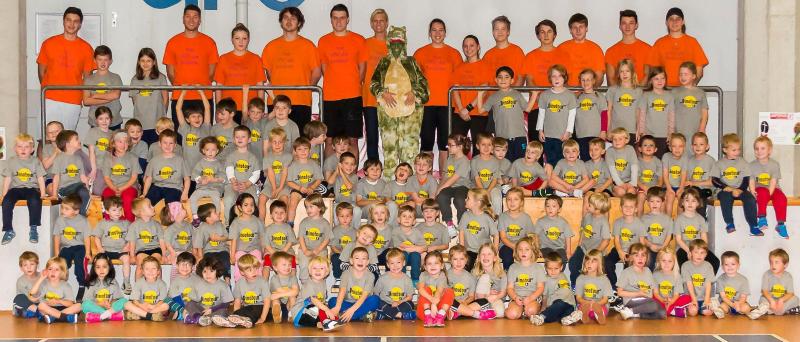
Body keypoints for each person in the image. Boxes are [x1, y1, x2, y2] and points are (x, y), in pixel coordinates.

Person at [370, 26, 428, 179]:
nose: (396, 47)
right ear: (389, 43)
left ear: (404, 44)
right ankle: (389, 184)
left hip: (410, 115)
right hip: (388, 114)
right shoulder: (383, 63)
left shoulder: (412, 62)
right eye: (393, 43)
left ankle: (409, 184)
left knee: (409, 148)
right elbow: (373, 83)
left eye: (399, 43)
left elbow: (424, 85)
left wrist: (414, 93)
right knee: (389, 148)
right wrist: (382, 93)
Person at [261, 6, 321, 134]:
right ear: (281, 22)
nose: (289, 21)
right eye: (285, 18)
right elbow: (269, 74)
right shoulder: (270, 46)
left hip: (301, 102)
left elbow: (316, 72)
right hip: (277, 103)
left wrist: (307, 88)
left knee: (300, 144)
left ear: (299, 23)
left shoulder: (308, 46)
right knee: (276, 141)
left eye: (293, 18)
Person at [318, 3, 366, 159]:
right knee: (330, 140)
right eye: (335, 18)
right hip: (330, 98)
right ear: (331, 20)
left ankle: (351, 179)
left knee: (352, 140)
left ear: (348, 20)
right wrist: (335, 84)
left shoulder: (359, 40)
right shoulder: (323, 41)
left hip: (352, 97)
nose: (338, 21)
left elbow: (362, 69)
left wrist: (351, 85)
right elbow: (324, 68)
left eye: (342, 18)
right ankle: (330, 179)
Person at [415, 19, 462, 173]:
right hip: (426, 105)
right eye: (434, 30)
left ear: (445, 32)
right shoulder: (420, 53)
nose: (437, 33)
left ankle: (444, 179)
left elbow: (458, 82)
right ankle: (425, 179)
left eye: (440, 30)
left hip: (447, 105)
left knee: (444, 144)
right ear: (429, 33)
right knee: (427, 143)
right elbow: (414, 80)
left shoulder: (454, 54)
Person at [37, 7, 95, 130]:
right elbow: (41, 71)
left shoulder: (87, 48)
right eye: (68, 20)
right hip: (49, 98)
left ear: (80, 24)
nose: (71, 24)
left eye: (76, 21)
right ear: (63, 21)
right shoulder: (48, 43)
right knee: (44, 139)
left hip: (73, 101)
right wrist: (48, 90)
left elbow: (88, 78)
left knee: (66, 141)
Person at [163, 4, 219, 128]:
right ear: (183, 19)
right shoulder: (172, 42)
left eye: (195, 17)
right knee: (181, 138)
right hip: (180, 98)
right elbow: (170, 72)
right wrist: (181, 88)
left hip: (203, 97)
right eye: (188, 16)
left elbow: (212, 72)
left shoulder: (209, 42)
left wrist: (200, 87)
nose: (191, 20)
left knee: (204, 139)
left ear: (200, 20)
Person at [523, 19, 569, 143]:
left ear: (555, 34)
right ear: (538, 35)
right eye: (542, 32)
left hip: (559, 109)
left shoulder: (564, 55)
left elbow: (566, 81)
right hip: (537, 107)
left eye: (549, 31)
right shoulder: (530, 56)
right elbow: (530, 81)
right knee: (536, 148)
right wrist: (542, 100)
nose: (546, 35)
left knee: (559, 148)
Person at [478, 67, 534, 162]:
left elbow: (528, 109)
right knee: (505, 163)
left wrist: (535, 94)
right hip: (502, 138)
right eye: (500, 77)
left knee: (520, 163)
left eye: (506, 77)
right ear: (496, 80)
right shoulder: (493, 97)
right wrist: (480, 94)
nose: (503, 80)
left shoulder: (517, 94)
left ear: (512, 80)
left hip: (519, 136)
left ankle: (517, 178)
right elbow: (480, 110)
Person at [215, 23, 266, 123]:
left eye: (244, 38)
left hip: (250, 110)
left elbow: (260, 87)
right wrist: (218, 110)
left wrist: (261, 109)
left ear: (248, 40)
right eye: (237, 38)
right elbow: (218, 87)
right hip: (228, 109)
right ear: (232, 40)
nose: (241, 42)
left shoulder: (256, 59)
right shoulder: (223, 59)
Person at [2, 133, 47, 244]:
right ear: (15, 149)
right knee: (6, 202)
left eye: (26, 147)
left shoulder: (35, 161)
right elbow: (8, 178)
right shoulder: (12, 161)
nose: (23, 149)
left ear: (32, 149)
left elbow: (40, 177)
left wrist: (43, 193)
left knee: (35, 200)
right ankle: (8, 230)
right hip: (15, 189)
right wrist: (4, 194)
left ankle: (33, 228)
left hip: (31, 188)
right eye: (20, 146)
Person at [647, 7, 709, 87]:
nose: (674, 22)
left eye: (678, 19)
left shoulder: (692, 42)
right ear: (666, 23)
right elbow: (653, 70)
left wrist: (691, 87)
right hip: (665, 91)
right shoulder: (659, 43)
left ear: (683, 22)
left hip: (686, 90)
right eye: (671, 19)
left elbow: (699, 70)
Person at [451, 35, 490, 154]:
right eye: (465, 46)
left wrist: (468, 108)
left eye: (472, 45)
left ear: (478, 47)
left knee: (479, 149)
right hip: (460, 113)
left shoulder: (485, 66)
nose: (468, 48)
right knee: (457, 147)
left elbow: (483, 90)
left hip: (479, 113)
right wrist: (461, 109)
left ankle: (477, 173)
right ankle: (458, 172)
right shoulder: (459, 67)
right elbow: (455, 90)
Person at [714, 133, 759, 236]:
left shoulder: (743, 162)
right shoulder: (719, 163)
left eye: (738, 149)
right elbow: (715, 180)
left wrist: (740, 189)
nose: (737, 152)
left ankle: (753, 225)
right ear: (725, 150)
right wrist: (727, 188)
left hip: (740, 189)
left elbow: (746, 178)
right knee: (725, 198)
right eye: (734, 150)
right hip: (725, 190)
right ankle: (729, 223)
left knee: (750, 199)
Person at [536, 65, 578, 166]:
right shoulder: (544, 95)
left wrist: (568, 132)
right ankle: (551, 180)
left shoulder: (570, 95)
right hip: (548, 135)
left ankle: (561, 180)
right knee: (550, 161)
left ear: (565, 78)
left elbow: (572, 116)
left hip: (563, 136)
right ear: (550, 78)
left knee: (562, 161)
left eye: (559, 76)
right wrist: (540, 130)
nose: (556, 79)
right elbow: (541, 114)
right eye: (553, 76)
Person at [52, 194, 90, 301]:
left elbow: (87, 237)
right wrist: (56, 254)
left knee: (79, 265)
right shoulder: (60, 220)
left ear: (76, 211)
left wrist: (88, 252)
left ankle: (82, 285)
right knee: (62, 265)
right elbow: (57, 237)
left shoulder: (83, 221)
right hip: (66, 247)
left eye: (66, 209)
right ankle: (60, 286)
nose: (62, 210)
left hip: (80, 247)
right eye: (62, 207)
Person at [363, 9, 389, 161]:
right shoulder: (365, 44)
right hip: (370, 98)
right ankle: (373, 170)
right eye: (375, 21)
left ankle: (391, 173)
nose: (378, 23)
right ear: (372, 24)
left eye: (381, 20)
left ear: (387, 23)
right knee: (372, 138)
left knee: (389, 139)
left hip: (390, 100)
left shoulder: (395, 45)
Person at [91, 197, 133, 294]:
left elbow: (132, 237)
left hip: (121, 251)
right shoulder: (102, 223)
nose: (117, 212)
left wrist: (128, 245)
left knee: (127, 259)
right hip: (106, 251)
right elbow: (97, 237)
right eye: (114, 210)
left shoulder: (126, 223)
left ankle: (126, 282)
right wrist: (100, 249)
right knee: (100, 262)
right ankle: (99, 282)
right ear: (107, 211)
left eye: (119, 209)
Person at [750, 136, 789, 238]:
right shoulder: (751, 165)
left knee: (782, 198)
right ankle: (762, 217)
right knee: (762, 191)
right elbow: (751, 180)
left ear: (769, 150)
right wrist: (752, 191)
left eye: (763, 148)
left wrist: (770, 194)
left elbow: (773, 181)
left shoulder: (774, 164)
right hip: (760, 188)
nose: (759, 151)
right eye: (756, 148)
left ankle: (780, 224)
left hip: (773, 189)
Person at [615, 243, 666, 320]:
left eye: (643, 255)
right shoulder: (627, 272)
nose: (640, 258)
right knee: (654, 305)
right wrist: (638, 293)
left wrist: (663, 299)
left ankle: (634, 313)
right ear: (631, 258)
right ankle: (630, 311)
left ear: (646, 258)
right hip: (632, 301)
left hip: (646, 301)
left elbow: (654, 290)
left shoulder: (648, 271)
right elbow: (620, 292)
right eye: (637, 255)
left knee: (662, 313)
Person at [290, 256, 342, 331]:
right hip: (300, 315)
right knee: (319, 306)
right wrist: (327, 310)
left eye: (321, 268)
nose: (318, 270)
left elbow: (322, 301)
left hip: (311, 316)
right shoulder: (308, 284)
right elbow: (314, 301)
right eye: (314, 268)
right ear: (310, 271)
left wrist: (328, 311)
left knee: (323, 307)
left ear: (327, 272)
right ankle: (326, 321)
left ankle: (322, 323)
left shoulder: (323, 283)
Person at [530, 252, 583, 326]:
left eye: (556, 268)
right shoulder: (546, 279)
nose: (553, 271)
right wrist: (543, 308)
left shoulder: (563, 274)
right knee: (559, 305)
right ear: (545, 268)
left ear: (561, 267)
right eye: (550, 268)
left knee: (568, 311)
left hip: (570, 304)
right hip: (556, 304)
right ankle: (542, 316)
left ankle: (568, 319)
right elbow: (544, 296)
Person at [130, 48, 169, 145]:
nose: (145, 63)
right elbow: (134, 101)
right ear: (139, 62)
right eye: (143, 61)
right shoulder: (135, 79)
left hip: (156, 123)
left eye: (148, 61)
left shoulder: (161, 78)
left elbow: (165, 99)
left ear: (154, 62)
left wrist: (162, 118)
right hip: (141, 124)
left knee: (155, 150)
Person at [570, 193, 611, 286]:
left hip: (596, 251)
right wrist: (579, 246)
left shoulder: (603, 222)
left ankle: (606, 288)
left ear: (597, 209)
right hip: (584, 248)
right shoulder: (587, 216)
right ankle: (575, 285)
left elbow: (606, 240)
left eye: (589, 205)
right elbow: (583, 231)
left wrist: (596, 253)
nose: (587, 206)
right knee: (573, 263)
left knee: (597, 269)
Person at [329, 247, 380, 322]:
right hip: (348, 303)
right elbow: (342, 291)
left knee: (375, 300)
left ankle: (344, 317)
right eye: (357, 258)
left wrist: (351, 310)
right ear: (351, 261)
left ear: (367, 262)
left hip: (363, 303)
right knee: (332, 301)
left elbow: (364, 296)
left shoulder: (370, 275)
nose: (360, 261)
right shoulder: (345, 273)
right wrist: (337, 307)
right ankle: (361, 315)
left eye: (364, 259)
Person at [101, 132, 140, 222]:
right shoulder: (107, 158)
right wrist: (114, 188)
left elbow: (134, 177)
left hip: (129, 186)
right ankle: (109, 222)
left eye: (126, 142)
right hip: (111, 185)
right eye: (120, 142)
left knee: (128, 199)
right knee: (107, 196)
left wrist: (121, 189)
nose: (123, 145)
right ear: (113, 143)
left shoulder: (133, 158)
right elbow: (106, 177)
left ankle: (129, 223)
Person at [605, 10, 652, 86]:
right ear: (620, 26)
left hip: (641, 96)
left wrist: (637, 93)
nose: (627, 26)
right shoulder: (611, 51)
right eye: (624, 23)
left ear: (636, 25)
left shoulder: (648, 49)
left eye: (631, 23)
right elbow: (611, 79)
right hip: (619, 97)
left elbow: (648, 75)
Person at [750, 248, 800, 318]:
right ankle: (778, 311)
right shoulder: (767, 274)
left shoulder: (788, 276)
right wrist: (772, 301)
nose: (773, 265)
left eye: (776, 262)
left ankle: (769, 310)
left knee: (796, 299)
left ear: (785, 265)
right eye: (771, 262)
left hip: (782, 302)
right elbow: (764, 291)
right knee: (762, 299)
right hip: (770, 300)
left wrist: (781, 300)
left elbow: (790, 293)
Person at [51, 130, 91, 217]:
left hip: (77, 188)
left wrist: (88, 190)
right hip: (65, 189)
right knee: (80, 187)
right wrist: (54, 194)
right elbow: (56, 177)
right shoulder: (59, 159)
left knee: (84, 192)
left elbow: (82, 176)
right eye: (76, 139)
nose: (79, 141)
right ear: (68, 144)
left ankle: (81, 216)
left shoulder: (78, 158)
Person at [505, 237, 546, 320]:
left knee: (530, 311)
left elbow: (541, 288)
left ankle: (526, 311)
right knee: (511, 315)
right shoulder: (513, 267)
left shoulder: (538, 268)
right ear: (517, 251)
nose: (523, 252)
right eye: (520, 249)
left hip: (533, 298)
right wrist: (515, 298)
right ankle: (516, 310)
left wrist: (530, 298)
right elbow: (509, 288)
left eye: (527, 249)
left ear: (532, 251)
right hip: (517, 298)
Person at [30, 257, 81, 323]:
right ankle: (63, 317)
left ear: (62, 272)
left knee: (79, 306)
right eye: (50, 269)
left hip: (61, 308)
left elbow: (70, 304)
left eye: (56, 269)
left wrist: (59, 301)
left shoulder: (66, 285)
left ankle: (53, 318)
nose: (53, 272)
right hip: (47, 309)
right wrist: (41, 279)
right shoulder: (43, 283)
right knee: (41, 305)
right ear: (46, 271)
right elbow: (32, 295)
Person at [83, 45, 123, 129]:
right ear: (94, 60)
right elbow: (86, 101)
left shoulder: (116, 77)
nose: (102, 63)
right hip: (95, 121)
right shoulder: (89, 80)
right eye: (100, 59)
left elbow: (116, 95)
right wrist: (108, 97)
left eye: (105, 60)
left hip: (114, 121)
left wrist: (95, 96)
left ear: (110, 61)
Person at [637, 67, 675, 156]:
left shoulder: (670, 96)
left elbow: (671, 116)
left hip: (665, 136)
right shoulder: (646, 95)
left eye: (662, 78)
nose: (660, 81)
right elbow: (642, 115)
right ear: (651, 80)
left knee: (663, 163)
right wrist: (642, 132)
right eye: (656, 78)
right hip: (649, 136)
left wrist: (671, 133)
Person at [559, 13, 605, 87]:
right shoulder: (561, 49)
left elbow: (599, 76)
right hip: (567, 94)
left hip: (589, 94)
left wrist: (589, 92)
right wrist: (567, 93)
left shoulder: (596, 49)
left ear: (586, 28)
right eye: (575, 27)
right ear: (570, 30)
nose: (578, 30)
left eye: (581, 27)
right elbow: (557, 74)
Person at [228, 193, 264, 282]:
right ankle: (239, 283)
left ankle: (258, 283)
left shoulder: (258, 221)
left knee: (257, 258)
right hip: (241, 250)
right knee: (239, 258)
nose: (249, 207)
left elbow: (262, 238)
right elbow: (233, 240)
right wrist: (232, 256)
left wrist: (263, 252)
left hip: (254, 249)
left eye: (252, 205)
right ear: (240, 207)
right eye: (246, 205)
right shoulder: (236, 223)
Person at [82, 253, 127, 323]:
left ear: (109, 267)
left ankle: (101, 316)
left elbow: (117, 299)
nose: (101, 270)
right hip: (96, 308)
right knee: (85, 305)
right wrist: (101, 304)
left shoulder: (113, 281)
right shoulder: (91, 282)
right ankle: (110, 315)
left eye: (104, 267)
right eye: (98, 267)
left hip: (110, 308)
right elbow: (88, 301)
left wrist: (110, 303)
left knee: (124, 300)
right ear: (94, 268)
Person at [373, 248, 417, 320]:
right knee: (376, 302)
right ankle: (399, 315)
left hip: (399, 304)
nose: (395, 266)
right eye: (392, 263)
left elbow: (410, 297)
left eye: (398, 262)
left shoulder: (407, 279)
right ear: (388, 265)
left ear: (404, 263)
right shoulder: (383, 278)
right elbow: (376, 293)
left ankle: (384, 315)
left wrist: (399, 302)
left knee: (410, 304)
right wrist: (380, 303)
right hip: (386, 304)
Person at [228, 254, 270, 328]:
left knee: (253, 310)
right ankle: (234, 320)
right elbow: (237, 301)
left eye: (256, 268)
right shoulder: (239, 283)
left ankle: (245, 320)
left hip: (262, 308)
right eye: (250, 270)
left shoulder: (262, 281)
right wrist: (236, 313)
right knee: (241, 311)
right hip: (248, 308)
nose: (254, 272)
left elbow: (267, 301)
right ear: (242, 272)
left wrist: (262, 318)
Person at [498, 188, 534, 270]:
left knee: (527, 254)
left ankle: (524, 276)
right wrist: (515, 247)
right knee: (507, 256)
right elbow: (503, 238)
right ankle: (508, 275)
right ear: (506, 201)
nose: (512, 202)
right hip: (506, 245)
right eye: (509, 199)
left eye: (515, 199)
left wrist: (525, 248)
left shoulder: (526, 218)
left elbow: (531, 236)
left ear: (521, 202)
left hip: (522, 245)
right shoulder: (503, 217)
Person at [575, 70, 608, 161]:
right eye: (583, 80)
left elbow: (604, 115)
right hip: (582, 135)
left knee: (598, 160)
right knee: (585, 159)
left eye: (588, 80)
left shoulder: (599, 97)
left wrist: (603, 131)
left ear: (593, 81)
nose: (586, 82)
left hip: (596, 134)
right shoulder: (576, 98)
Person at [483, 16, 525, 86]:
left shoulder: (517, 52)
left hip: (511, 96)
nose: (500, 32)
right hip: (492, 96)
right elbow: (484, 80)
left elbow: (521, 78)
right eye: (497, 29)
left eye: (503, 29)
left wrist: (511, 94)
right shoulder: (487, 55)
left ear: (508, 32)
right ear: (493, 32)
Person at [709, 251, 752, 318]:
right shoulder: (720, 279)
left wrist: (738, 304)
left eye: (733, 264)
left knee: (746, 307)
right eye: (726, 264)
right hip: (726, 303)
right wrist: (732, 305)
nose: (730, 267)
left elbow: (743, 297)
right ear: (722, 266)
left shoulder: (743, 280)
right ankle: (720, 311)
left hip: (739, 303)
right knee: (723, 307)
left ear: (738, 265)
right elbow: (723, 297)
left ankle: (751, 313)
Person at [575, 249, 612, 324]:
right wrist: (588, 303)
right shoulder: (580, 278)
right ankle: (586, 316)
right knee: (582, 308)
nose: (589, 264)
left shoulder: (604, 279)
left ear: (599, 264)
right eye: (587, 261)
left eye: (593, 261)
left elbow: (605, 299)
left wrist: (596, 304)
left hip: (600, 304)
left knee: (600, 309)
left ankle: (597, 315)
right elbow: (578, 298)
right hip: (585, 304)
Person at [652, 248, 692, 318]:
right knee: (650, 298)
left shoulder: (677, 275)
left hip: (673, 299)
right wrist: (663, 301)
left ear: (674, 263)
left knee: (687, 298)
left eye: (670, 261)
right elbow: (656, 293)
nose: (666, 264)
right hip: (660, 300)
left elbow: (676, 295)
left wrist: (670, 302)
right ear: (659, 261)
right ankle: (674, 311)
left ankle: (668, 310)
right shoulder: (655, 274)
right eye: (664, 261)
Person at [417, 251, 453, 327]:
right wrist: (432, 301)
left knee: (449, 291)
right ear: (425, 267)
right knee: (426, 289)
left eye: (436, 263)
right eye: (429, 264)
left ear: (442, 266)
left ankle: (440, 316)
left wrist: (434, 304)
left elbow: (439, 291)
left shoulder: (442, 275)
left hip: (437, 310)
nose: (433, 266)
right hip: (423, 311)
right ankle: (428, 316)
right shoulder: (423, 275)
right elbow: (420, 289)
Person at [673, 62, 709, 138]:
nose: (683, 77)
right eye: (681, 74)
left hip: (695, 131)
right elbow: (670, 112)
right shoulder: (674, 92)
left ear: (693, 76)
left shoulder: (700, 93)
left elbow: (704, 113)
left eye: (686, 74)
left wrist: (702, 129)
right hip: (678, 132)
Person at [12, 251, 40, 319]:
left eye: (32, 264)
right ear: (21, 268)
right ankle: (40, 312)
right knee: (19, 298)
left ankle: (35, 313)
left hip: (39, 302)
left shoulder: (41, 276)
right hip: (27, 303)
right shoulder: (21, 281)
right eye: (25, 265)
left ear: (37, 265)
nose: (29, 267)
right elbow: (29, 297)